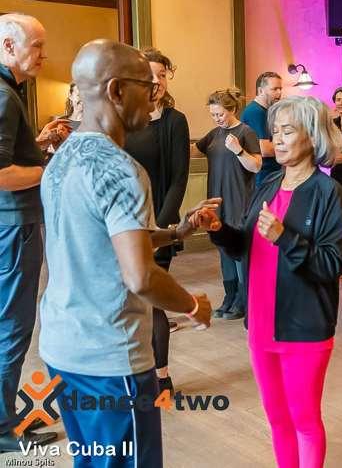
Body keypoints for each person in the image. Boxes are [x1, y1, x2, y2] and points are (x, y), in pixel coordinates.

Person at [38, 39, 212, 467]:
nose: (154, 98)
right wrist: (192, 305)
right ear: (116, 90)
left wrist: (176, 232)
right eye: (146, 87)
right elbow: (141, 276)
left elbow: (104, 240)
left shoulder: (62, 157)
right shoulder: (121, 169)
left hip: (63, 348)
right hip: (110, 358)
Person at [190, 95, 342, 468]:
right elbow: (243, 248)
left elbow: (332, 264)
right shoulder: (268, 185)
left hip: (303, 326)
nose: (277, 139)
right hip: (261, 323)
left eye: (287, 131)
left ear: (312, 136)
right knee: (277, 419)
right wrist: (219, 229)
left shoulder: (328, 194)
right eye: (275, 131)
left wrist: (284, 237)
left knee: (304, 420)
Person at [0, 13, 66, 453]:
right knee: (12, 327)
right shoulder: (4, 96)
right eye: (37, 46)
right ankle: (3, 430)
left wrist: (37, 144)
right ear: (9, 47)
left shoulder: (10, 91)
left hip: (11, 225)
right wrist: (50, 168)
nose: (44, 54)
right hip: (14, 227)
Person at [124, 47, 190, 394]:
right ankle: (134, 373)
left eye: (162, 75)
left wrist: (159, 230)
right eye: (150, 75)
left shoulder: (174, 121)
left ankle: (161, 377)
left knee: (152, 299)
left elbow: (179, 179)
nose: (157, 81)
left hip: (159, 223)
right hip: (124, 223)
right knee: (130, 301)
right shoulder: (124, 119)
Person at [192, 88, 261, 320]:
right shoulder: (214, 134)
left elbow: (256, 166)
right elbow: (193, 151)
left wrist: (238, 150)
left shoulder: (246, 132)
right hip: (217, 201)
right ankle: (230, 296)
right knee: (223, 250)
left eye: (220, 114)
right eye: (213, 114)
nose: (217, 118)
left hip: (239, 200)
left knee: (238, 251)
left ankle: (243, 299)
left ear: (232, 109)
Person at [241, 71, 283, 186]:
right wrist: (292, 147)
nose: (279, 93)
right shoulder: (256, 112)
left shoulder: (266, 111)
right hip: (262, 177)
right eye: (274, 89)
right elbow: (265, 150)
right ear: (260, 91)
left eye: (280, 89)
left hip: (270, 175)